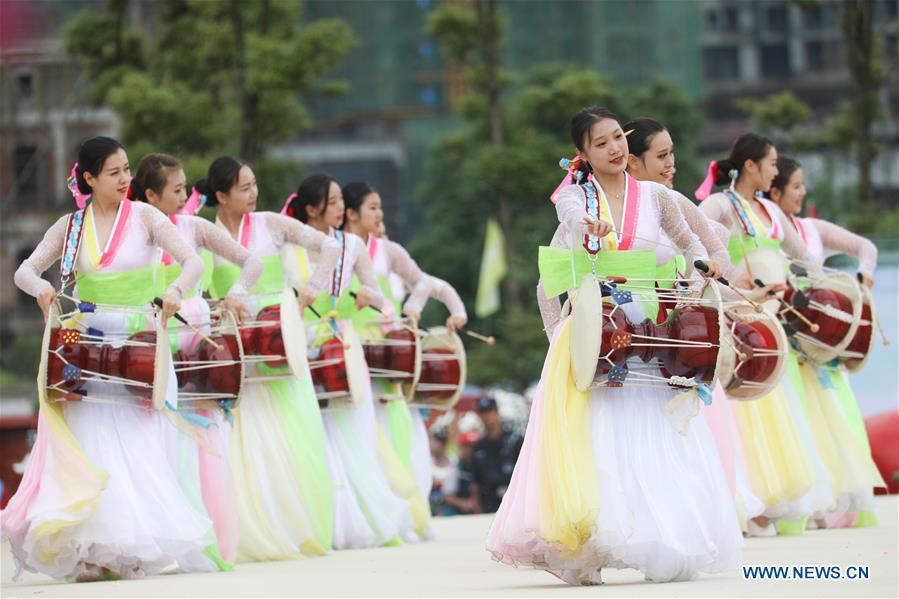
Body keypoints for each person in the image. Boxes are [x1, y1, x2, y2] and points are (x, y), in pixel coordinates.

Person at [488, 106, 741, 585]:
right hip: (597, 330)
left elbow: (690, 241)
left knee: (656, 432)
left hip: (648, 328)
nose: (614, 149)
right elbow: (554, 273)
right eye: (600, 143)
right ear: (581, 154)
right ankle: (590, 547)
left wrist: (702, 264)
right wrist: (587, 231)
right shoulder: (576, 198)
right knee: (598, 439)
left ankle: (663, 539)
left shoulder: (655, 196)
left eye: (616, 139)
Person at [5, 136, 216, 581]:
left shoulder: (146, 216)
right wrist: (42, 290)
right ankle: (92, 550)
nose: (125, 180)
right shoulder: (70, 226)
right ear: (89, 178)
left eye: (127, 171)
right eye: (114, 173)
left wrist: (176, 291)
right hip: (87, 349)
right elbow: (24, 269)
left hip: (138, 345)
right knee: (91, 445)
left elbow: (192, 261)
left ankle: (131, 546)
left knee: (139, 447)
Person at [198, 156, 340, 561]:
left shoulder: (271, 224)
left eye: (254, 184)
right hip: (236, 351)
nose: (253, 192)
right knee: (241, 438)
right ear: (221, 195)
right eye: (243, 187)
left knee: (289, 433)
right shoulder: (206, 234)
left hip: (278, 344)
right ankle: (246, 528)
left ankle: (290, 525)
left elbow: (328, 244)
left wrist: (311, 288)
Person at [131, 152, 264, 565]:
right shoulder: (133, 230)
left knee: (200, 449)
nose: (188, 196)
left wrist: (237, 294)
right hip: (149, 344)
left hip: (195, 348)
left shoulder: (194, 227)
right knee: (152, 444)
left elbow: (252, 261)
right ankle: (155, 544)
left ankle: (200, 544)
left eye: (187, 188)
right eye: (177, 190)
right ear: (151, 195)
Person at [696, 134, 825, 536]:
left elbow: (803, 255)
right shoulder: (719, 204)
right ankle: (747, 500)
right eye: (770, 164)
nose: (775, 170)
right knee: (743, 405)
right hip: (738, 315)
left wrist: (802, 281)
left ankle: (769, 502)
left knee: (776, 403)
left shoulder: (768, 208)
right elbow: (698, 249)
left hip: (772, 318)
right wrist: (737, 277)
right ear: (750, 165)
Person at [282, 173, 413, 548]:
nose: (341, 209)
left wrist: (365, 297)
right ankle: (315, 518)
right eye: (333, 202)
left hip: (338, 341)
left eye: (342, 201)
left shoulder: (350, 245)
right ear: (311, 209)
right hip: (297, 342)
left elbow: (373, 287)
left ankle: (353, 518)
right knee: (309, 432)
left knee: (350, 431)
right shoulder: (289, 241)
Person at [768, 155, 885, 528]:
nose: (802, 192)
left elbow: (866, 247)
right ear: (775, 191)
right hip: (787, 343)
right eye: (796, 186)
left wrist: (862, 281)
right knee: (797, 423)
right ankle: (802, 504)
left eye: (803, 185)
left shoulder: (811, 228)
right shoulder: (765, 231)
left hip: (822, 344)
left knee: (835, 421)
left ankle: (835, 502)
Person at [471, 398, 522, 514]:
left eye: (489, 412)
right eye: (482, 413)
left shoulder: (514, 441)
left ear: (497, 413)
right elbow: (476, 482)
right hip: (489, 504)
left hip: (514, 503)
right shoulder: (478, 447)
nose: (486, 417)